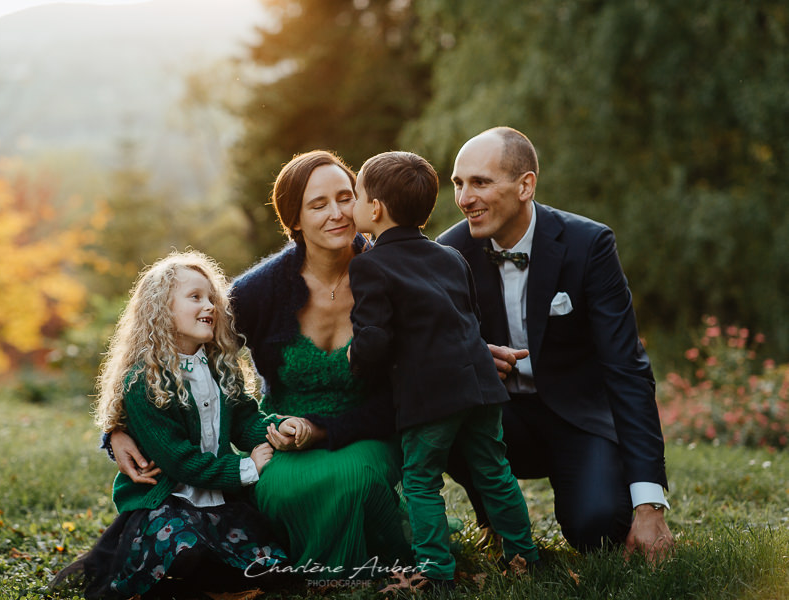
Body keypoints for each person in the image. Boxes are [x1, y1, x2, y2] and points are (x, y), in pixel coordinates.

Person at [108, 151, 412, 579]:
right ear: (295, 220)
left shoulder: (395, 272)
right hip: (284, 433)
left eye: (346, 198)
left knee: (352, 479)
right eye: (318, 204)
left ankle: (347, 568)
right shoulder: (257, 292)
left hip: (371, 431)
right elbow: (165, 343)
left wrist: (470, 351)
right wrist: (117, 430)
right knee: (277, 486)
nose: (338, 213)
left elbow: (436, 343)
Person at [438, 126, 674, 560]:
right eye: (458, 183)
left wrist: (649, 503)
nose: (464, 198)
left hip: (579, 419)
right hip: (498, 420)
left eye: (481, 182)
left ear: (525, 185)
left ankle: (603, 494)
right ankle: (493, 515)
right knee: (442, 412)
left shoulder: (589, 245)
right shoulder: (449, 254)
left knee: (597, 532)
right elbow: (429, 357)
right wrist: (468, 361)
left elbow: (627, 369)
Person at [52, 251, 305, 599]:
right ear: (162, 310)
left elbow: (245, 421)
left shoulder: (220, 367)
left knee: (271, 563)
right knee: (185, 549)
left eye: (211, 298)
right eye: (195, 298)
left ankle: (213, 579)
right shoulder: (144, 380)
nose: (210, 306)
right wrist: (247, 466)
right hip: (169, 501)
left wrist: (275, 432)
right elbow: (179, 461)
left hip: (218, 499)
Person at [346, 151, 539, 587]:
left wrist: (354, 359)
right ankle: (525, 557)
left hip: (429, 396)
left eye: (356, 196)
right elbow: (469, 321)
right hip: (481, 388)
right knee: (495, 471)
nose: (353, 205)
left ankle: (435, 571)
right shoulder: (452, 257)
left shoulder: (369, 266)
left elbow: (374, 338)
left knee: (420, 479)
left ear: (374, 208)